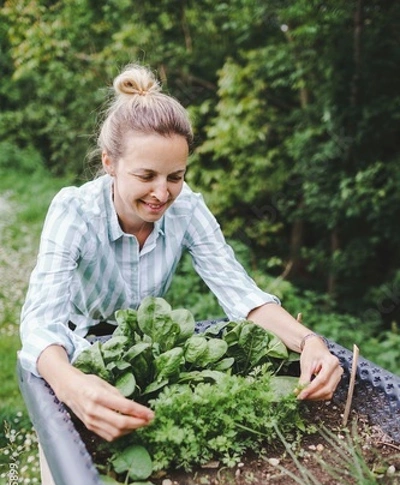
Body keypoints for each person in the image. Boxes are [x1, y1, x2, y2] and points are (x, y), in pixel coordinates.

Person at [19, 63, 343, 442]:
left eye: (175, 177)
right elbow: (41, 323)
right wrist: (71, 385)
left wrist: (311, 342)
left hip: (138, 351)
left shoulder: (187, 208)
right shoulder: (74, 212)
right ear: (109, 162)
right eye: (146, 176)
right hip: (70, 352)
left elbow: (241, 294)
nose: (162, 194)